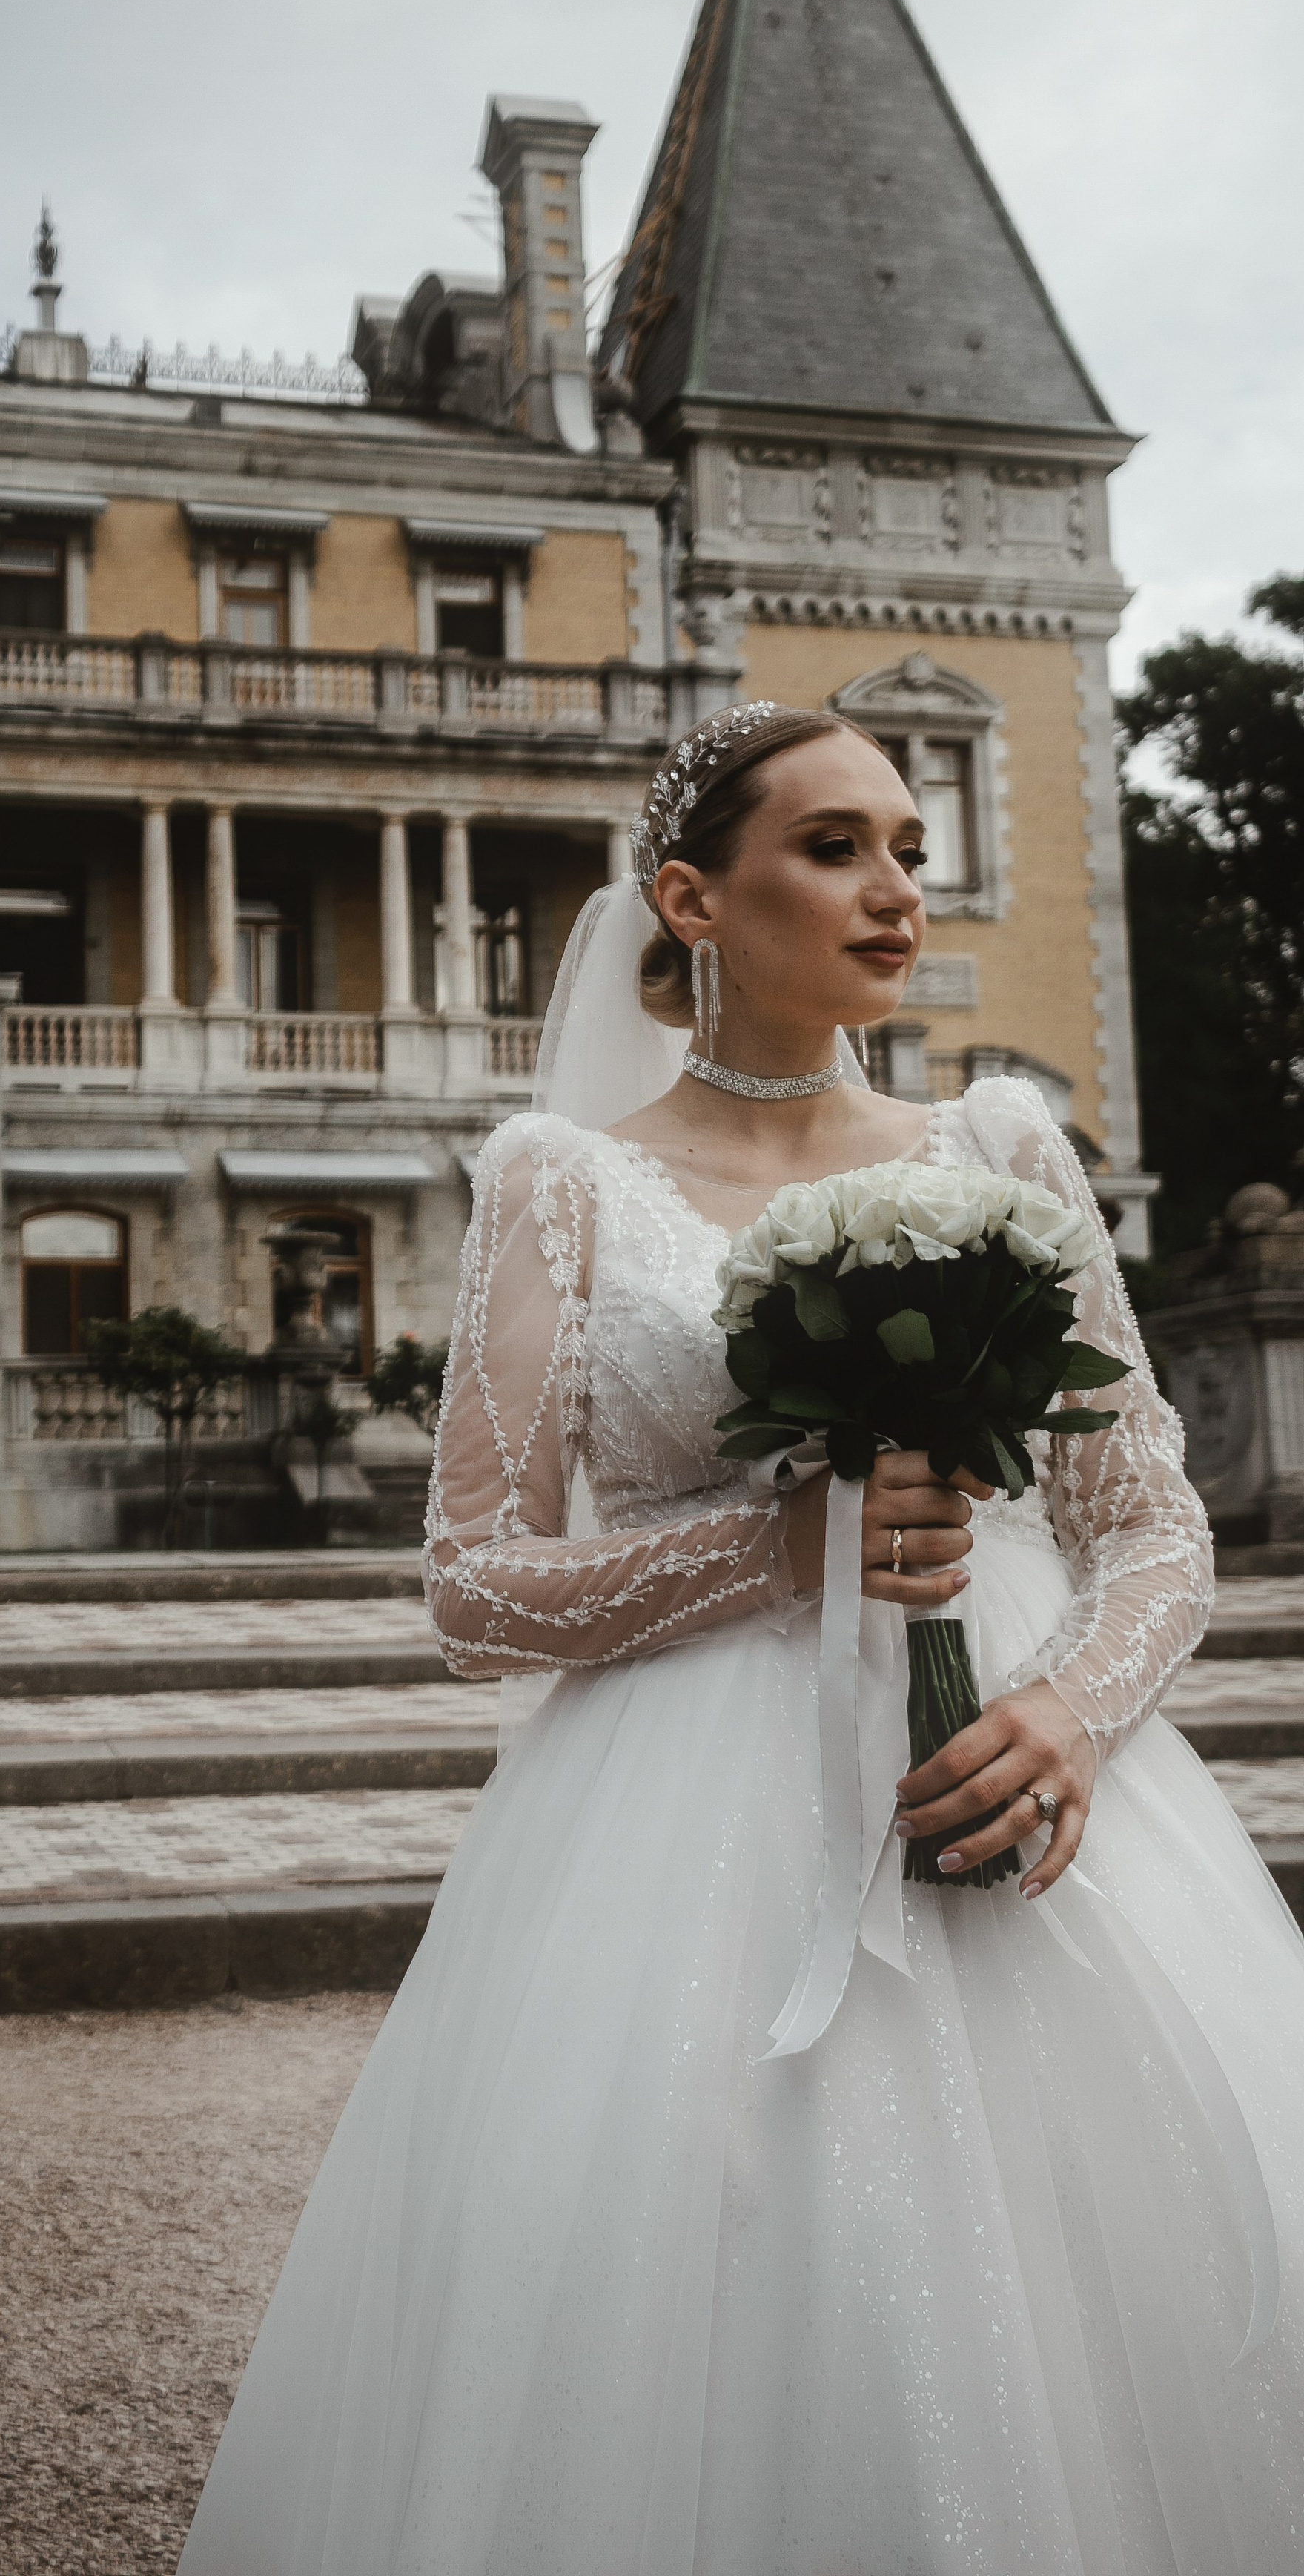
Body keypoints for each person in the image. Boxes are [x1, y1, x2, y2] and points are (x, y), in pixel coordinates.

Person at [179, 703, 1304, 2575]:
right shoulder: (559, 1179)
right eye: (832, 847)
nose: (892, 889)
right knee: (711, 2256)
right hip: (677, 1841)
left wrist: (1068, 1715)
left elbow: (1147, 1518)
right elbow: (471, 1585)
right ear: (690, 898)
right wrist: (774, 1550)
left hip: (1004, 1782)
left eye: (906, 848)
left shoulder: (1001, 1143)